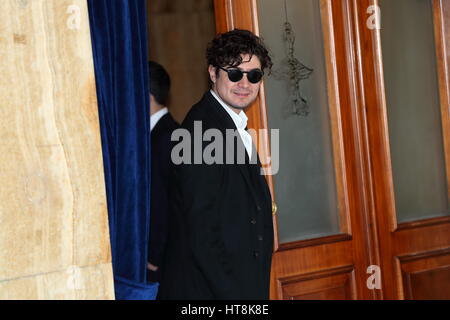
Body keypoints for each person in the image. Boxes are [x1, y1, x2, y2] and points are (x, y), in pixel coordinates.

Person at [159, 29, 274, 300]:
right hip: (211, 291)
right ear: (213, 73)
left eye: (254, 75)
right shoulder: (202, 131)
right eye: (234, 73)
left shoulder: (232, 124)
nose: (244, 83)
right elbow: (202, 231)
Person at [147, 61, 179, 285]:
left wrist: (153, 256)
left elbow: (164, 202)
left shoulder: (166, 137)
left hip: (166, 257)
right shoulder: (161, 133)